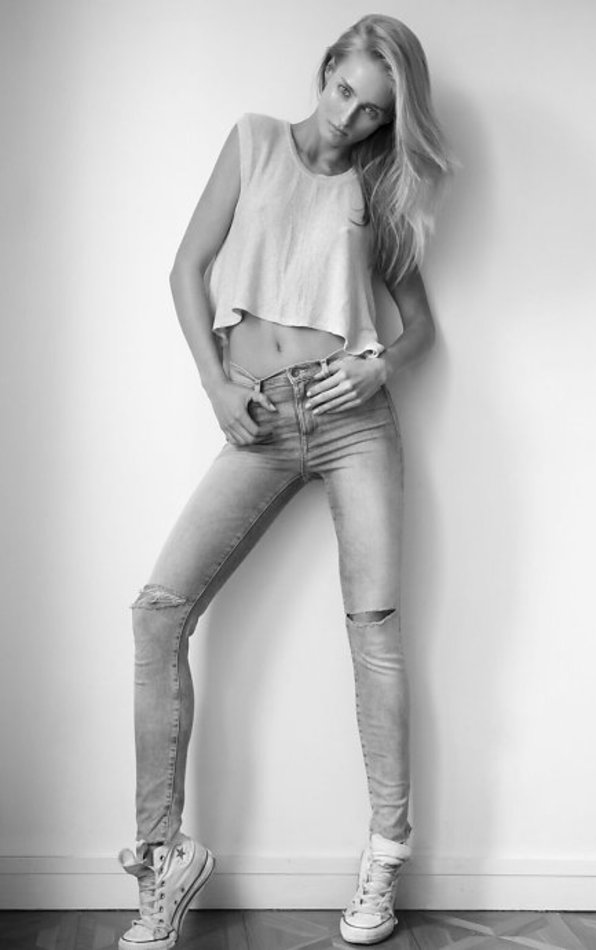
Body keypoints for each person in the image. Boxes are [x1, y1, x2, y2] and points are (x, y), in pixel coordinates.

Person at [117, 13, 452, 950]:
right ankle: (162, 857)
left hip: (352, 423)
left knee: (374, 634)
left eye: (373, 112)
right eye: (345, 92)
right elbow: (186, 269)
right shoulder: (254, 141)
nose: (350, 119)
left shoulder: (377, 191)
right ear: (326, 69)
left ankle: (383, 856)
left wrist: (380, 366)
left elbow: (420, 325)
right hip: (258, 418)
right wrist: (215, 384)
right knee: (157, 612)